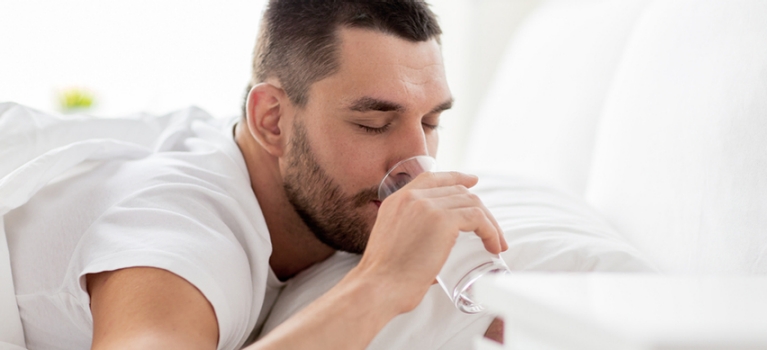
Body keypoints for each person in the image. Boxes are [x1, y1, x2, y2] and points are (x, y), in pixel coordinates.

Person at [0, 0, 506, 349]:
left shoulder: (250, 163)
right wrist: (382, 282)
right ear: (272, 120)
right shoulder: (180, 228)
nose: (414, 158)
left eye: (431, 121)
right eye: (373, 124)